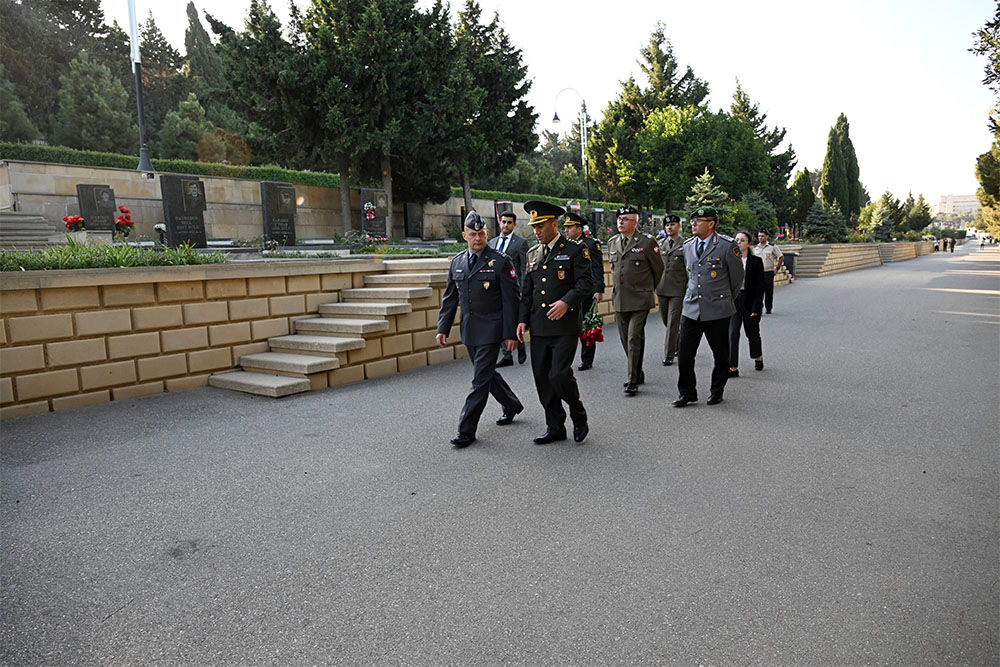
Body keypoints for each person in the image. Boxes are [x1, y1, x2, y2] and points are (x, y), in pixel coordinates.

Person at [436, 211, 523, 448]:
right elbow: (450, 299)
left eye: (481, 233)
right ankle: (512, 403)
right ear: (464, 235)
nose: (478, 238)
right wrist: (442, 328)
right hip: (470, 330)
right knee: (485, 375)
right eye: (473, 234)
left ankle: (466, 430)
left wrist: (509, 334)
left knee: (479, 380)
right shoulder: (457, 263)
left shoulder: (500, 261)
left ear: (487, 233)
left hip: (492, 329)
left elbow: (510, 300)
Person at [516, 200, 593, 444]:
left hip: (565, 326)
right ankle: (555, 426)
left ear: (553, 223)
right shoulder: (532, 254)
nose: (536, 231)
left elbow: (585, 284)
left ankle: (578, 414)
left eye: (540, 226)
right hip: (539, 326)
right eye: (534, 226)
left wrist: (566, 302)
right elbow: (527, 291)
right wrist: (522, 321)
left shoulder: (574, 250)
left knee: (559, 375)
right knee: (542, 377)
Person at [673, 206, 744, 407]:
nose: (693, 224)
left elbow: (737, 279)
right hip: (692, 308)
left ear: (711, 224)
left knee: (721, 355)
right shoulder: (687, 246)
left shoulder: (726, 245)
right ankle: (687, 392)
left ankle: (717, 390)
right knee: (685, 354)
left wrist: (724, 298)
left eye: (698, 221)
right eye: (693, 220)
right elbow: (690, 276)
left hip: (718, 309)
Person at [607, 205, 663, 396]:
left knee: (633, 338)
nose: (620, 222)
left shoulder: (647, 242)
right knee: (625, 339)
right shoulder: (613, 242)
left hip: (640, 299)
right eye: (619, 219)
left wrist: (648, 289)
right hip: (620, 299)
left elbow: (659, 270)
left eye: (625, 219)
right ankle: (637, 371)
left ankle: (632, 380)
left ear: (635, 222)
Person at [563, 211, 605, 371]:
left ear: (579, 229)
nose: (566, 230)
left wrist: (598, 289)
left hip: (586, 291)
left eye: (570, 227)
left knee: (586, 325)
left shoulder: (590, 244)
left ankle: (587, 359)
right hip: (570, 291)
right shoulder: (565, 245)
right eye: (565, 227)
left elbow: (597, 267)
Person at [489, 210, 529, 367]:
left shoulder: (520, 243)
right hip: (495, 291)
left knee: (513, 319)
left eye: (509, 222)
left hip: (513, 289)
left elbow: (524, 268)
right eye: (503, 222)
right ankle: (506, 355)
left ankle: (520, 346)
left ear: (514, 224)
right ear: (500, 222)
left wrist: (523, 290)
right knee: (499, 321)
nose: (506, 225)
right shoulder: (491, 243)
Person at [728, 231, 765, 377]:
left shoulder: (755, 262)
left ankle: (758, 357)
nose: (739, 242)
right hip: (734, 301)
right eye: (737, 239)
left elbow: (760, 286)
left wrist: (756, 307)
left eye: (742, 240)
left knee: (752, 333)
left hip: (749, 301)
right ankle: (732, 366)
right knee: (732, 333)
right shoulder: (730, 260)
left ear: (749, 243)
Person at [655, 214, 687, 367]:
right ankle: (679, 341)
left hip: (677, 289)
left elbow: (689, 269)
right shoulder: (660, 244)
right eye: (667, 225)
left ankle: (669, 354)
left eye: (673, 225)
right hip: (661, 288)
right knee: (666, 322)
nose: (669, 227)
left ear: (678, 226)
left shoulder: (686, 245)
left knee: (673, 321)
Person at [752, 229, 783, 314]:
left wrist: (777, 268)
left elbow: (780, 257)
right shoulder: (755, 248)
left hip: (768, 272)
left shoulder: (772, 247)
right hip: (757, 273)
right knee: (758, 291)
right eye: (759, 236)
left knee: (768, 291)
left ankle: (768, 307)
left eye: (762, 236)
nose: (760, 238)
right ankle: (759, 308)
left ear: (767, 236)